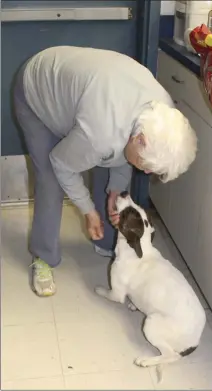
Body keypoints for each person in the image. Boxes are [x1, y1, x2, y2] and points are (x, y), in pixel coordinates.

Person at [14, 46, 197, 297]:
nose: (143, 171)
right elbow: (62, 163)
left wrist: (116, 190)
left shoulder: (162, 110)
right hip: (38, 88)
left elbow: (124, 150)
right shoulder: (101, 133)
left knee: (109, 157)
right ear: (140, 139)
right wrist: (88, 210)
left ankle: (103, 241)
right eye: (145, 165)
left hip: (86, 97)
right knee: (51, 177)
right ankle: (43, 257)